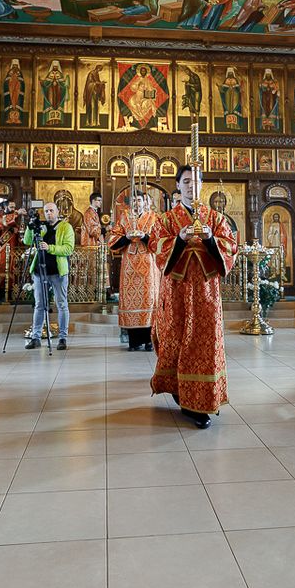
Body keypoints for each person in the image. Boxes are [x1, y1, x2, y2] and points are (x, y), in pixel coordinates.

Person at [151, 165, 238, 428]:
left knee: (204, 342)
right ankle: (182, 394)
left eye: (196, 181)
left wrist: (211, 240)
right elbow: (156, 246)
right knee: (176, 339)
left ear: (202, 184)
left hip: (206, 292)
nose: (191, 186)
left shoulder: (215, 218)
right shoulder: (167, 220)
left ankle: (203, 399)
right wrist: (178, 239)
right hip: (176, 291)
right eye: (186, 181)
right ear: (178, 185)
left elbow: (230, 247)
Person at [109, 191, 160, 352]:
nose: (137, 203)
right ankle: (134, 341)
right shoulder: (124, 218)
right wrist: (126, 238)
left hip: (148, 265)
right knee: (131, 301)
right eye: (134, 200)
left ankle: (150, 341)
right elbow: (113, 240)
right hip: (129, 266)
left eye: (139, 200)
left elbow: (159, 241)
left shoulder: (153, 218)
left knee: (149, 299)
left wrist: (144, 236)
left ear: (145, 202)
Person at [24, 202, 75, 350]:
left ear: (57, 212)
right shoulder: (41, 227)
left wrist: (50, 248)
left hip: (58, 272)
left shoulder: (66, 227)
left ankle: (62, 338)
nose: (49, 213)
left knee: (61, 304)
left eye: (51, 210)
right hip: (40, 271)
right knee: (40, 305)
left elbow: (69, 248)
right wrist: (30, 227)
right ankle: (36, 337)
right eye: (46, 211)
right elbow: (27, 241)